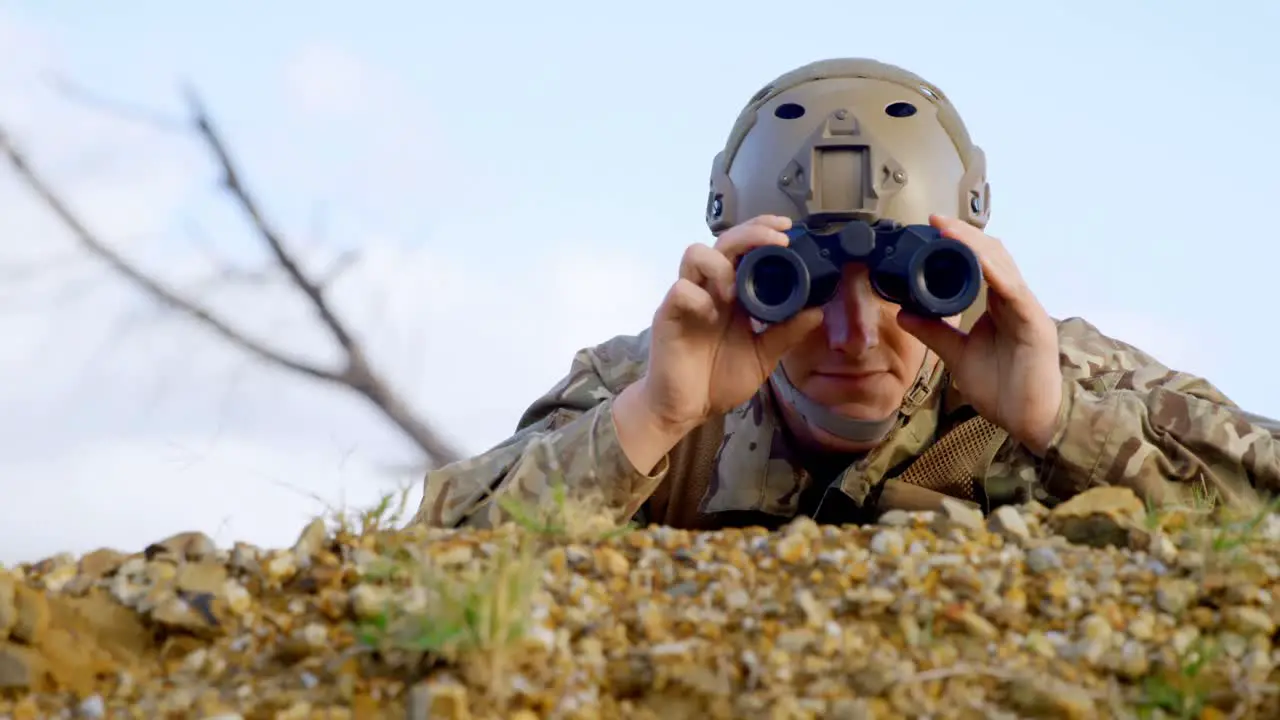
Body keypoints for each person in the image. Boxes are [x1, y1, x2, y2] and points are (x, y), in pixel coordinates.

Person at [411, 57, 1280, 532]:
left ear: (965, 263)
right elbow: (428, 551)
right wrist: (654, 419)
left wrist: (1062, 421)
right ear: (738, 269)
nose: (855, 333)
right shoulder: (653, 382)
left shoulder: (1048, 367)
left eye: (905, 284)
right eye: (801, 285)